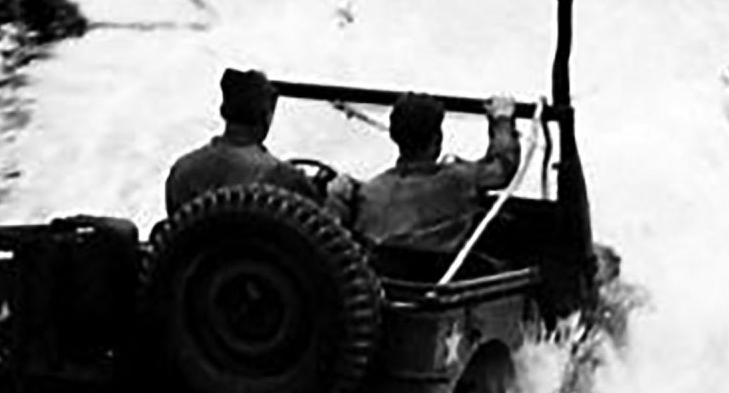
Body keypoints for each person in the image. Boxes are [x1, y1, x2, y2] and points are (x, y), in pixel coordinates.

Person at [352, 92, 520, 254]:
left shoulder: (369, 194)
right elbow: (501, 168)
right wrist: (502, 120)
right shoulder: (458, 181)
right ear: (437, 138)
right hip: (445, 278)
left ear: (394, 136)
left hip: (388, 281)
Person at [165, 68, 337, 216]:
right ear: (266, 117)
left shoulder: (183, 170)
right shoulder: (285, 179)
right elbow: (321, 231)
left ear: (224, 111)